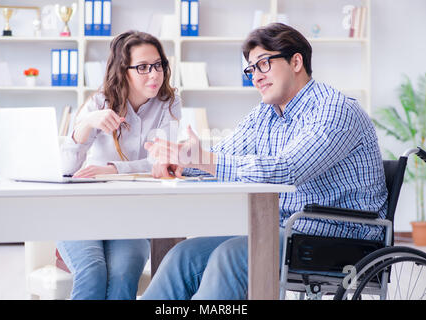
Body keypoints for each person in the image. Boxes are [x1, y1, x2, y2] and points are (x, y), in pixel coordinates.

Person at [141, 23, 388, 300]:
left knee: (232, 256)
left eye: (264, 64)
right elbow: (225, 156)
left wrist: (204, 160)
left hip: (343, 238)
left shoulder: (335, 109)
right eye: (251, 70)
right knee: (183, 257)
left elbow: (288, 169)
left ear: (296, 61)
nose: (255, 77)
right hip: (285, 230)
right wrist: (182, 163)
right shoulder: (265, 113)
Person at [56, 30, 181, 300]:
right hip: (83, 211)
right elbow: (65, 169)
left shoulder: (168, 104)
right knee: (92, 272)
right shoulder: (99, 103)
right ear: (123, 70)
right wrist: (87, 123)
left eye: (158, 65)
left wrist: (111, 170)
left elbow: (160, 163)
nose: (154, 74)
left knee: (124, 275)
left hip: (131, 214)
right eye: (143, 67)